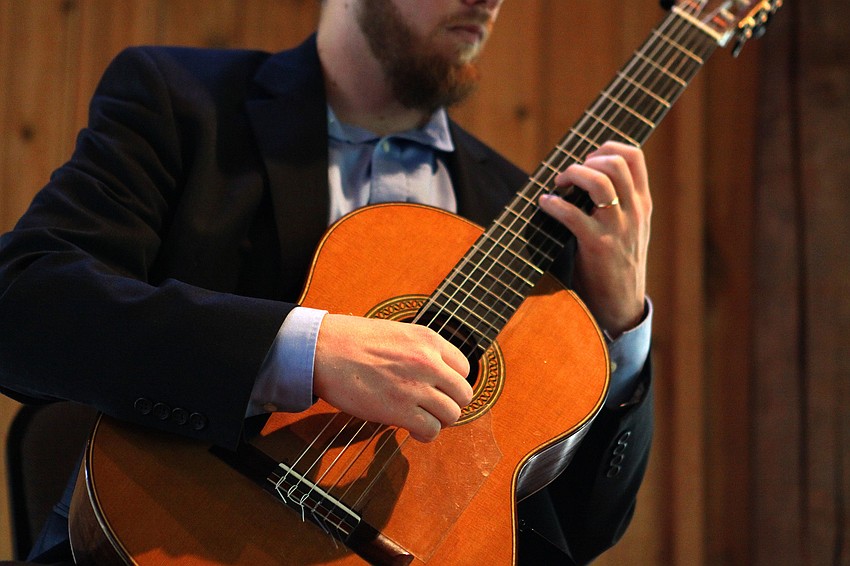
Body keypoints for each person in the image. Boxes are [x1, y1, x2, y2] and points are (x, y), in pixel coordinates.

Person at [0, 0, 654, 563]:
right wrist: (306, 351)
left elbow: (578, 531)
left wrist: (621, 326)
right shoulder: (180, 101)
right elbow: (24, 303)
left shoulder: (526, 218)